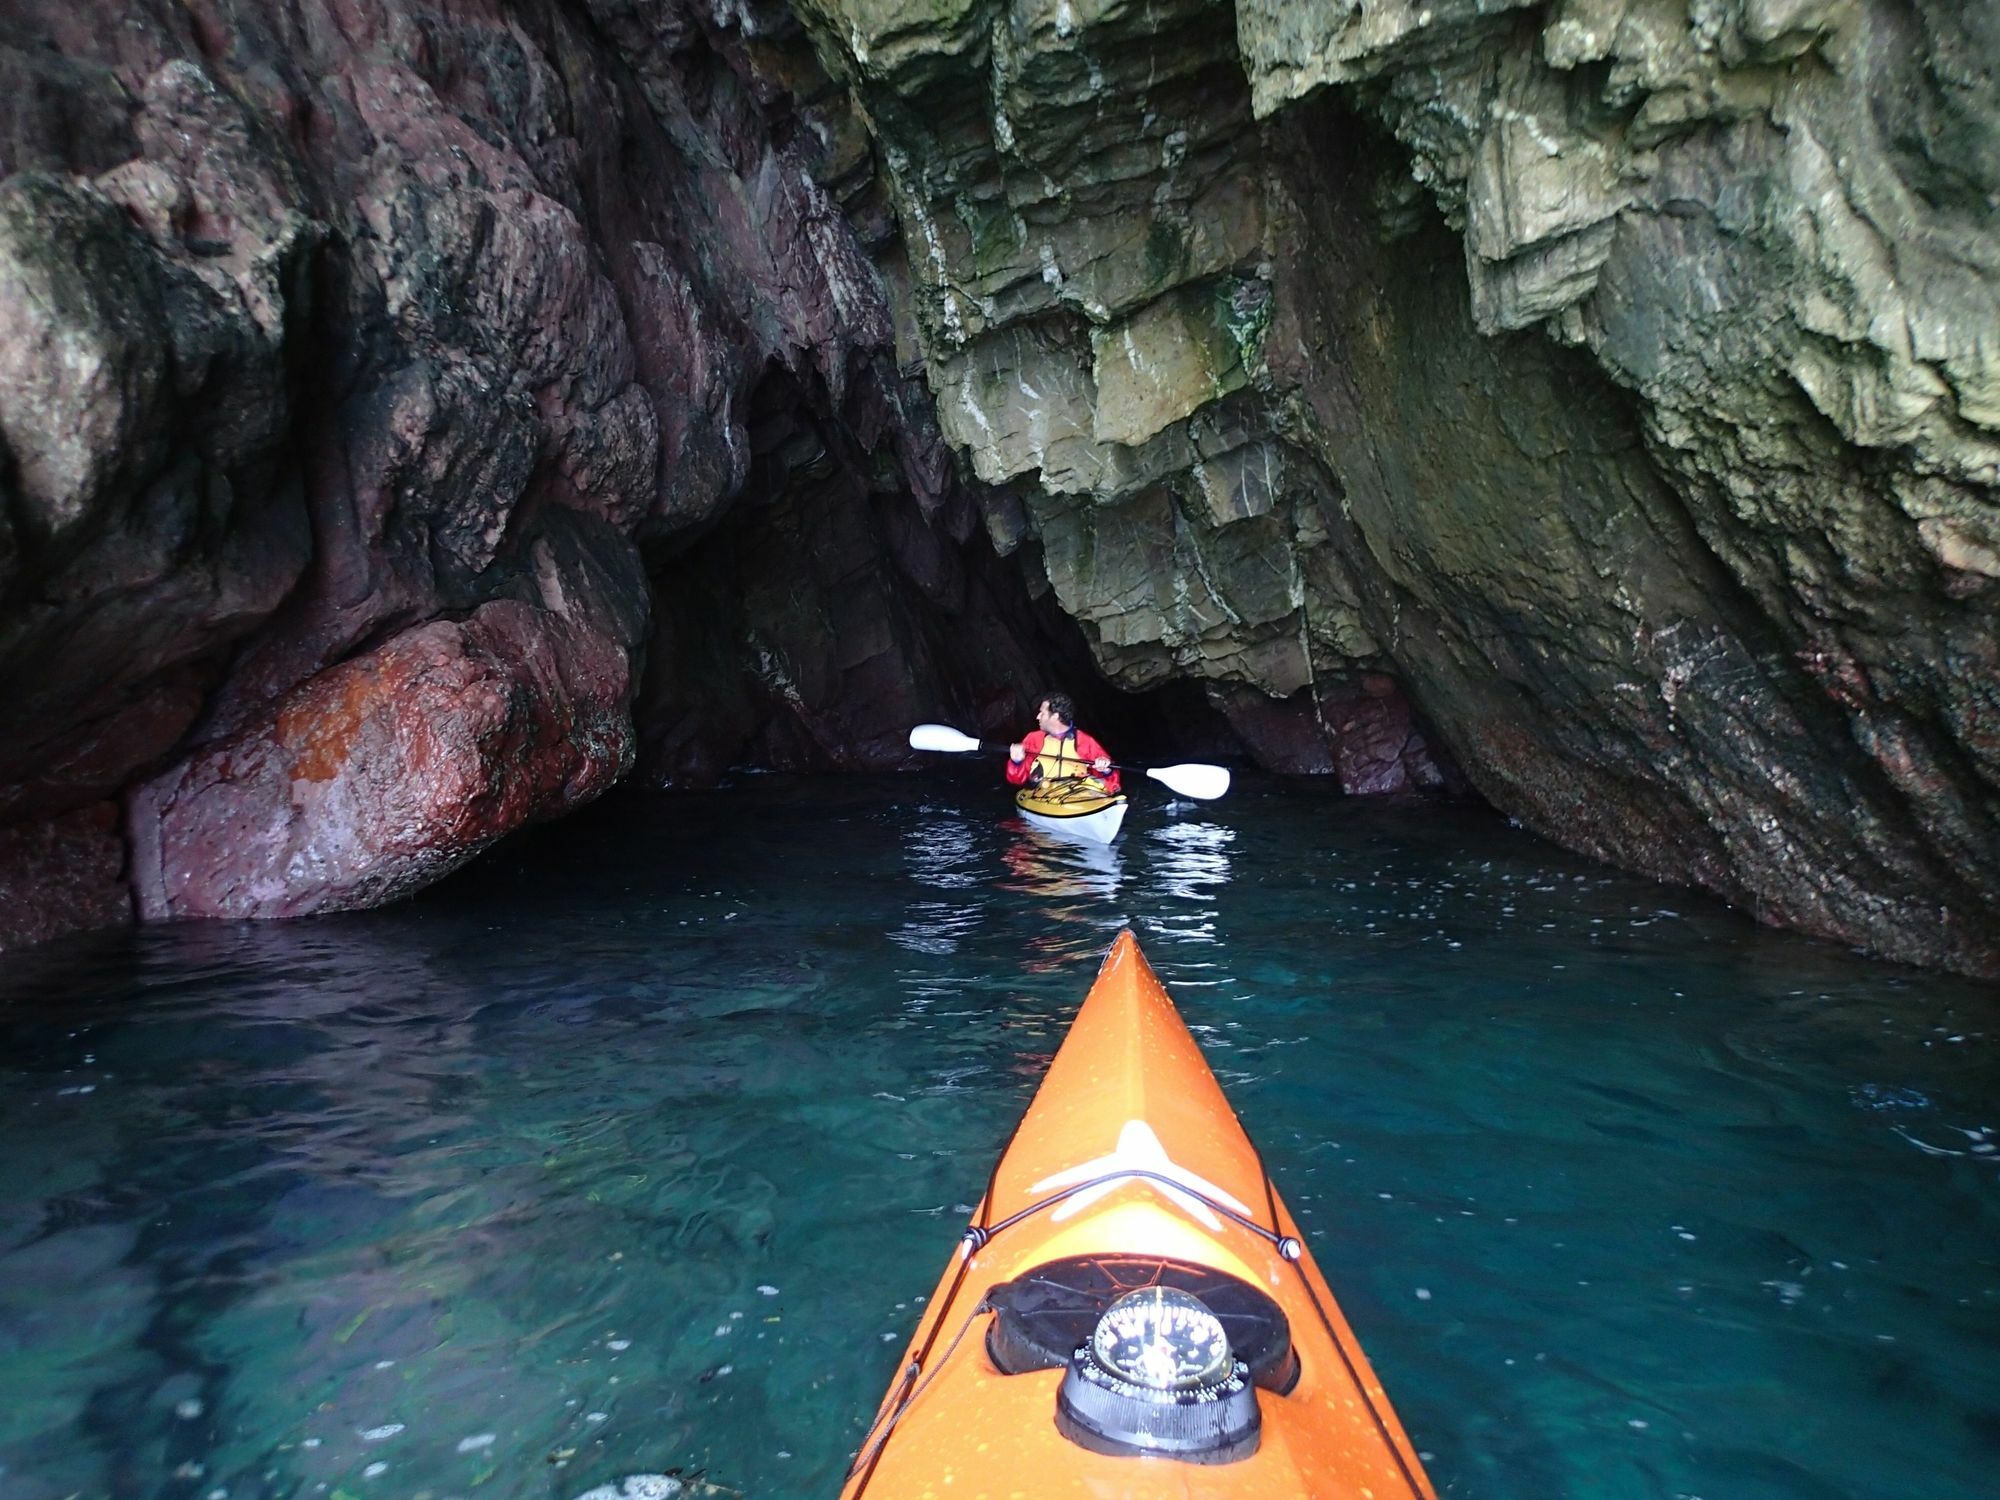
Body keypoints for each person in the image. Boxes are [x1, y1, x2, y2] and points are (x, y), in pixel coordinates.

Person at [1006, 692, 1121, 795]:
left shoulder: (1085, 741)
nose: (1037, 717)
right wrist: (1016, 762)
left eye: (1042, 713)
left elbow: (1113, 782)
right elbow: (1016, 780)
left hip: (1076, 793)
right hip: (1042, 792)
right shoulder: (1033, 739)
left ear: (1055, 716)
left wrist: (1106, 769)